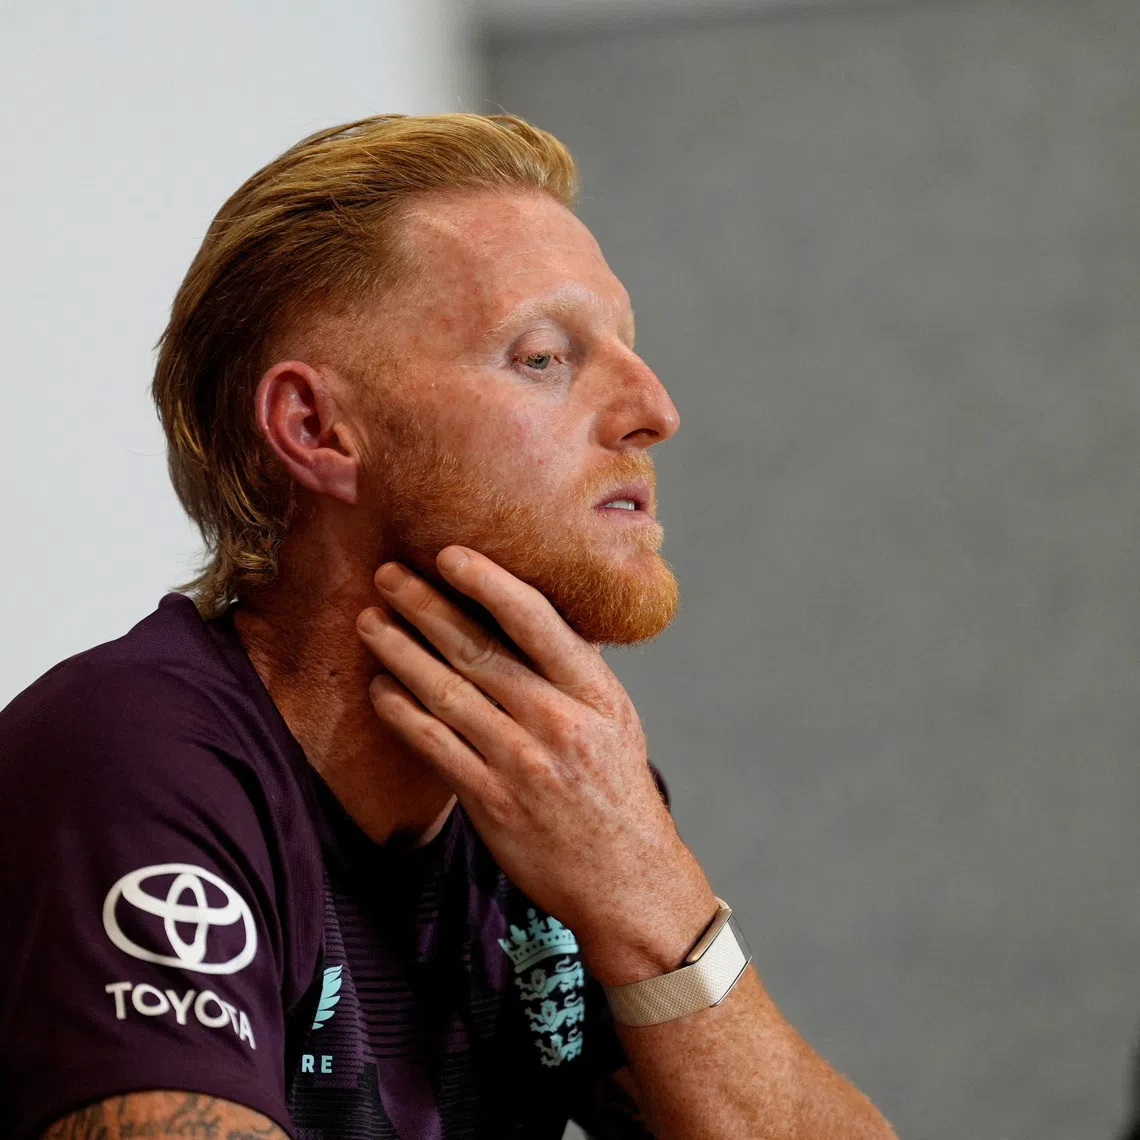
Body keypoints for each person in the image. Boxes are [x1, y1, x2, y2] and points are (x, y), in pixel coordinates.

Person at [0, 113, 894, 1140]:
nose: (654, 409)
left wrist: (651, 896)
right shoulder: (134, 757)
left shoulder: (563, 787)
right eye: (544, 357)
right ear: (316, 430)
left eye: (631, 352)